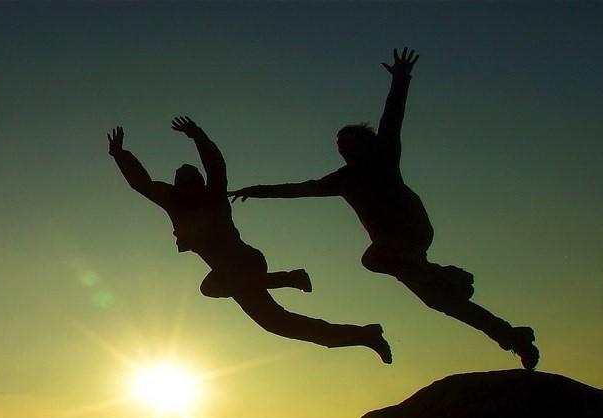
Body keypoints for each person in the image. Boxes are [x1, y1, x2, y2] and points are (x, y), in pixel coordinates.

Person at [228, 49, 539, 369]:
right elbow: (299, 190)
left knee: (373, 258)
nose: (343, 149)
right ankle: (514, 338)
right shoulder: (342, 180)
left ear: (365, 144)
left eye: (348, 143)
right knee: (443, 302)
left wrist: (401, 79)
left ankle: (449, 275)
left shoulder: (383, 157)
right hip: (398, 254)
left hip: (411, 231)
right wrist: (257, 191)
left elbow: (392, 119)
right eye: (339, 145)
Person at [108, 116, 392, 362]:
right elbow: (141, 183)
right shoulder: (173, 203)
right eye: (185, 184)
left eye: (194, 181)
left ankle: (291, 278)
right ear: (177, 188)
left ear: (200, 184)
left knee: (211, 287)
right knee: (281, 325)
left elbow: (216, 165)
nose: (190, 188)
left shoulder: (213, 196)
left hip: (245, 261)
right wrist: (120, 155)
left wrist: (197, 135)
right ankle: (365, 335)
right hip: (230, 273)